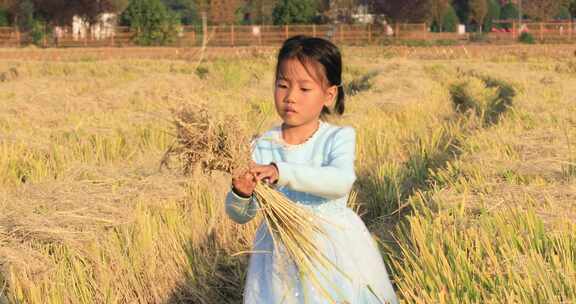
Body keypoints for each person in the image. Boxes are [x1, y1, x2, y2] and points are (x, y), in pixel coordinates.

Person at [225, 35, 399, 304]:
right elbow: (242, 215)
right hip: (280, 252)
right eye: (283, 85)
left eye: (304, 89)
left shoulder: (337, 138)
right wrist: (241, 194)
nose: (290, 97)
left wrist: (281, 172)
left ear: (329, 95)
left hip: (332, 246)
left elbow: (340, 181)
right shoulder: (261, 145)